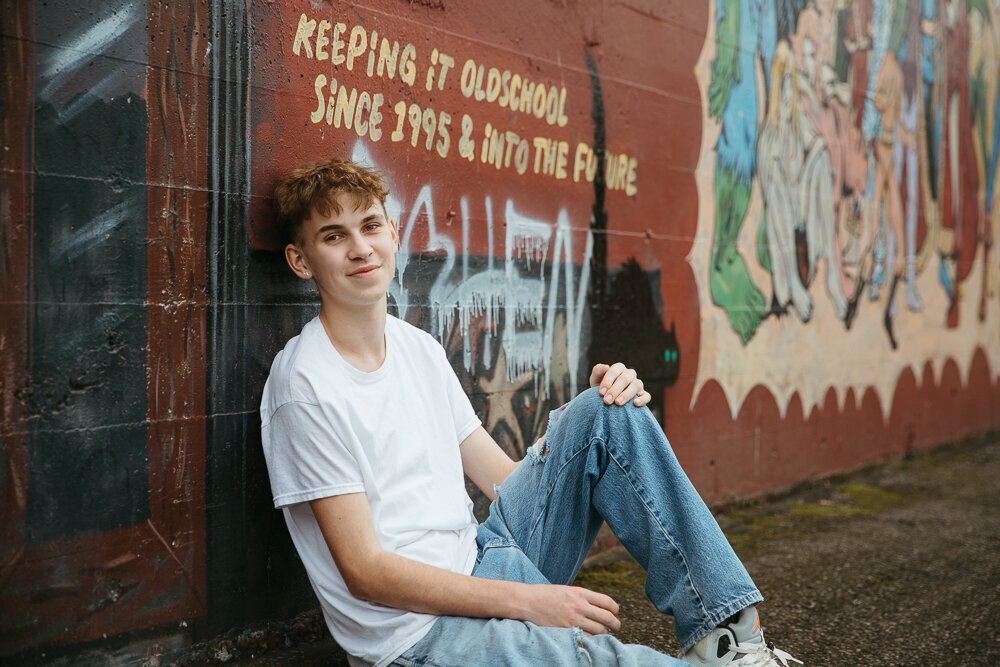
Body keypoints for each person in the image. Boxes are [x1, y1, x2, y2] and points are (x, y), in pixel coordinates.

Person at [260, 158, 801, 666]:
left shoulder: (415, 348)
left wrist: (585, 419)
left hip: (480, 560)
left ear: (394, 234)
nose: (360, 248)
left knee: (609, 411)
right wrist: (529, 603)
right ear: (301, 260)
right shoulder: (304, 385)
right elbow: (366, 572)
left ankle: (731, 641)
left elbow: (503, 480)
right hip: (419, 637)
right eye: (334, 236)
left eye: (370, 225)